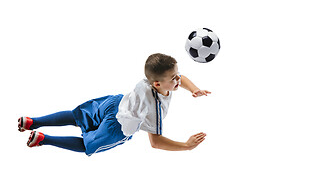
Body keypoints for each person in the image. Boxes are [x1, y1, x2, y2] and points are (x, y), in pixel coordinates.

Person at [18, 53, 211, 156]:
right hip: (117, 128)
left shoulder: (150, 79)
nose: (178, 80)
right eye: (173, 78)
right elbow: (156, 142)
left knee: (77, 116)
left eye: (177, 75)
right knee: (88, 146)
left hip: (115, 103)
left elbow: (181, 77)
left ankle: (31, 122)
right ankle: (43, 138)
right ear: (157, 84)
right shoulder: (154, 108)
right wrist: (186, 146)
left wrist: (194, 89)